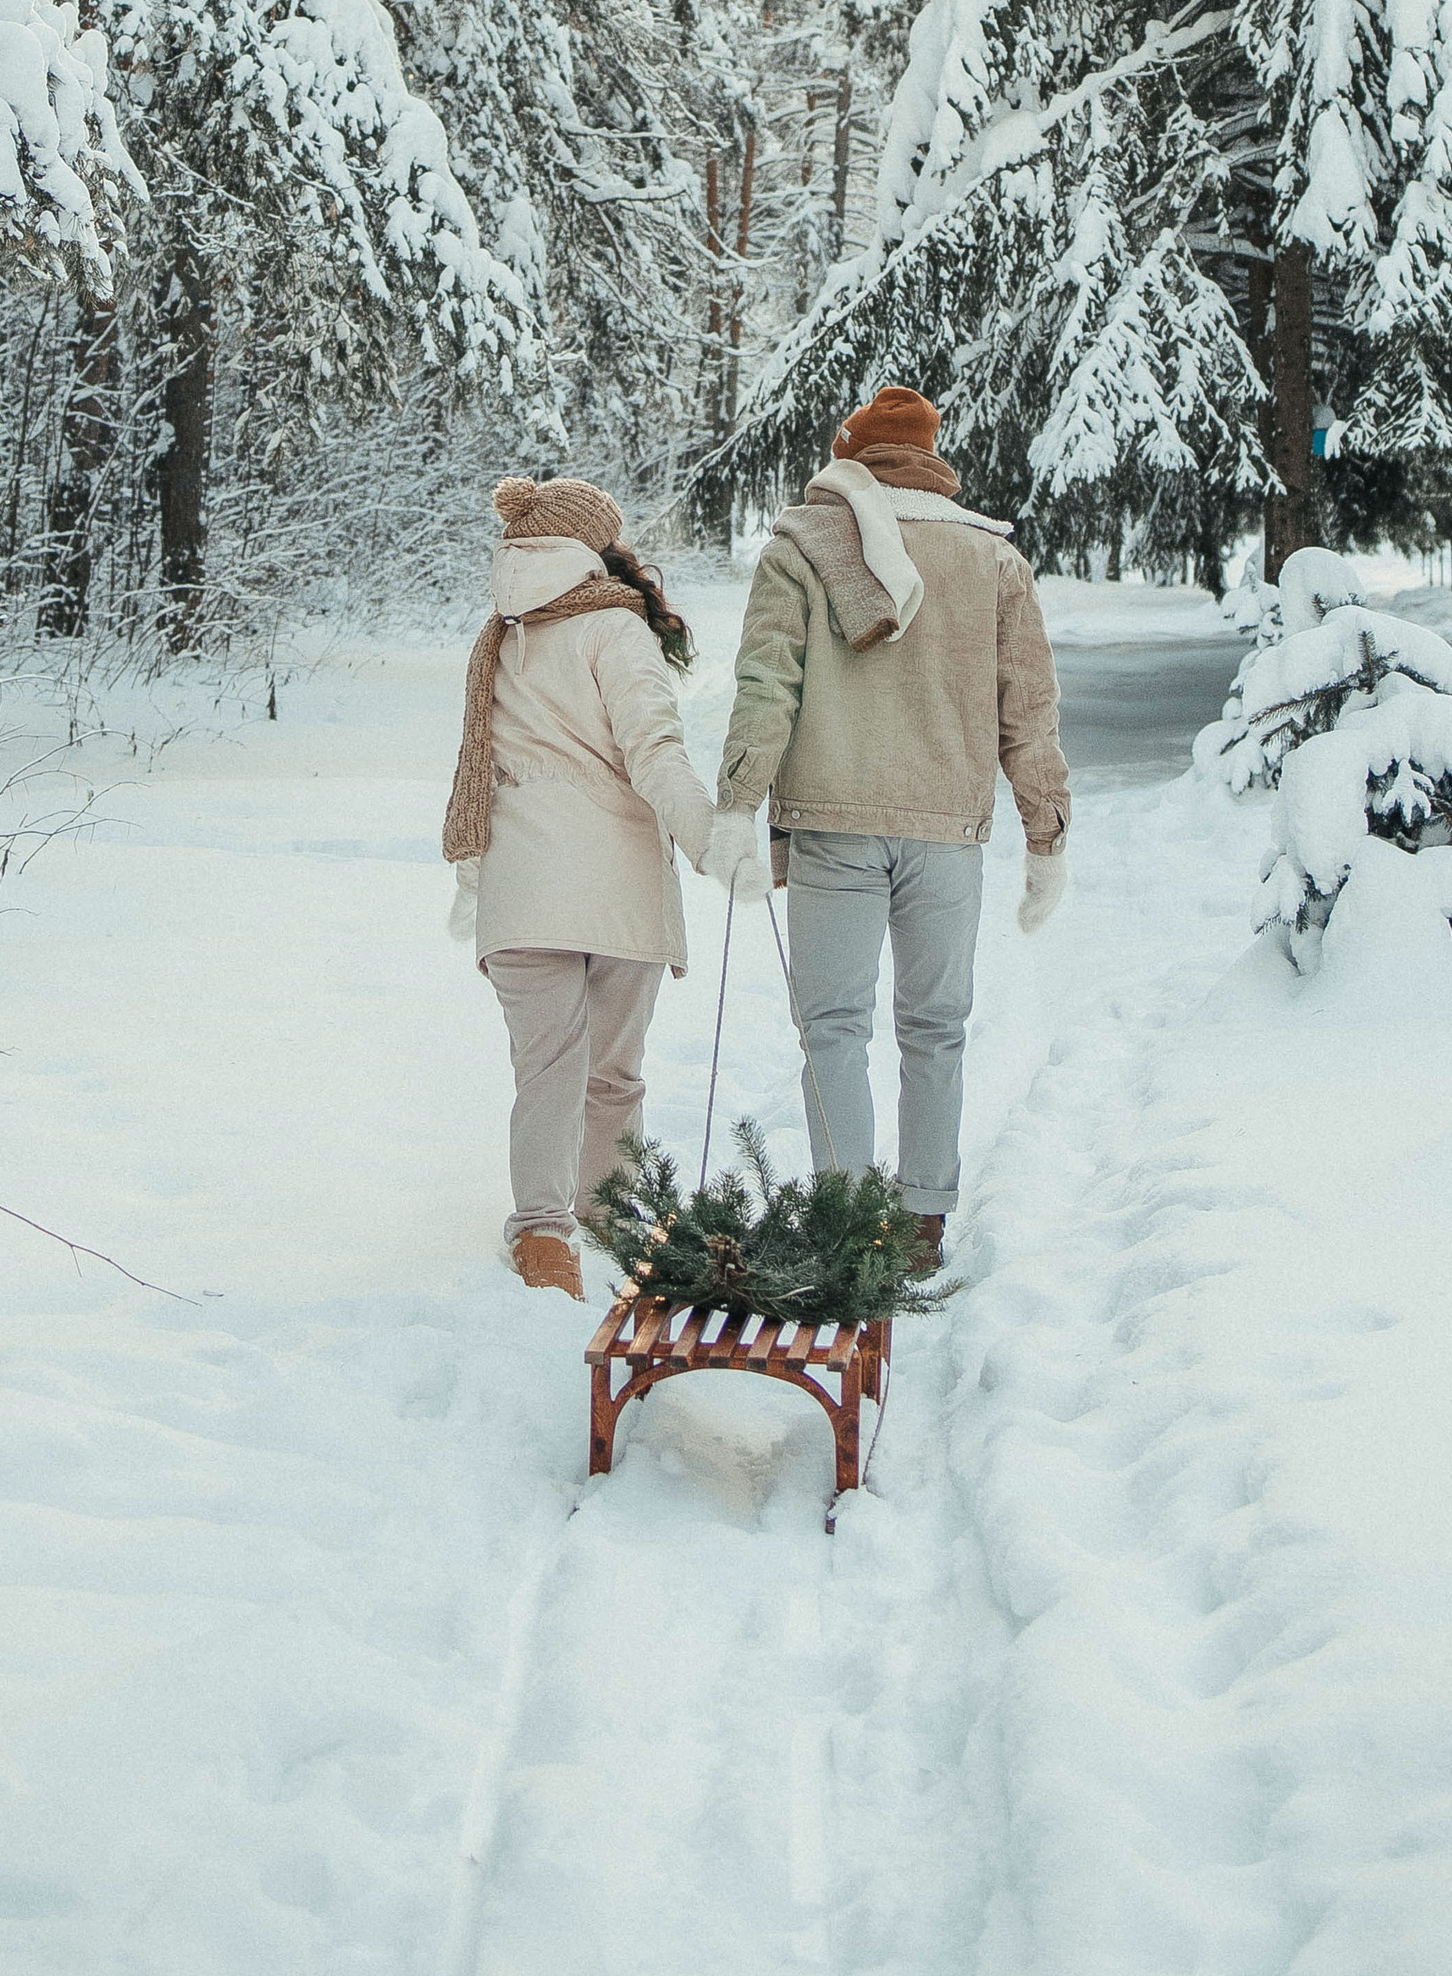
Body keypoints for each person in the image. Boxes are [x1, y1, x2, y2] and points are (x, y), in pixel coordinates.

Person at [710, 385, 1069, 1272]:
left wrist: (736, 805)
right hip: (947, 830)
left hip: (833, 824)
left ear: (854, 453)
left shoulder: (801, 541)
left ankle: (843, 1218)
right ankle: (920, 1221)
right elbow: (1029, 710)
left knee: (833, 1028)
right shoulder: (991, 557)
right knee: (935, 1027)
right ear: (931, 459)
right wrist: (1046, 831)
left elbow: (766, 686)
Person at [442, 473, 726, 1298]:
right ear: (592, 547)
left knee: (547, 1071)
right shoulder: (615, 628)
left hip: (522, 885)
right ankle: (610, 1211)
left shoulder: (498, 635)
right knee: (613, 1073)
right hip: (618, 885)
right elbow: (654, 751)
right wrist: (708, 836)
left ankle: (542, 1237)